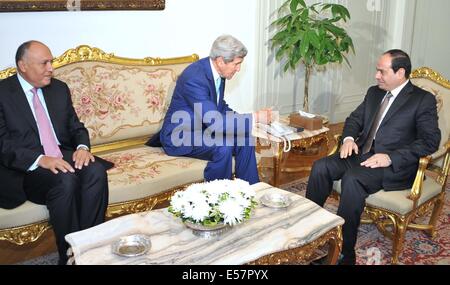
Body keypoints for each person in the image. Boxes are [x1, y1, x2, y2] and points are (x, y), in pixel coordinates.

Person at [306, 49, 441, 265]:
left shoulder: (422, 100)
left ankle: (344, 253)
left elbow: (430, 141)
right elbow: (354, 119)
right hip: (362, 152)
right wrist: (349, 138)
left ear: (400, 73)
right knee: (321, 167)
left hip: (393, 164)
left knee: (353, 180)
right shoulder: (374, 92)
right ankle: (308, 233)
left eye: (382, 71)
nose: (377, 76)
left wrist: (391, 157)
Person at [0, 41, 113, 265]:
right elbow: (2, 143)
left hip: (62, 154)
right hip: (26, 167)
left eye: (51, 62)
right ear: (23, 65)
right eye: (44, 63)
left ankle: (89, 249)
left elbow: (76, 127)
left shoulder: (58, 89)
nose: (51, 68)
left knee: (95, 171)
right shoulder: (3, 93)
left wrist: (82, 148)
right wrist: (40, 159)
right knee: (65, 181)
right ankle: (70, 256)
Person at [147, 35, 269, 184]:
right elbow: (216, 123)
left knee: (245, 139)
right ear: (220, 61)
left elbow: (219, 106)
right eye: (237, 64)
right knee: (223, 147)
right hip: (180, 136)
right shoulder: (195, 78)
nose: (238, 69)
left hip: (202, 129)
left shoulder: (217, 72)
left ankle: (250, 192)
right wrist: (255, 117)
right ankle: (217, 198)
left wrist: (248, 120)